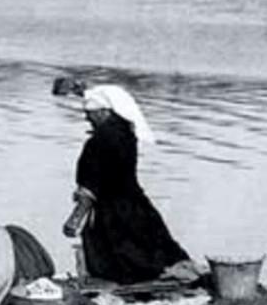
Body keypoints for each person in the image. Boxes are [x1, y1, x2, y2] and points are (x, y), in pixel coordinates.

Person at [63, 84, 198, 284]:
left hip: (111, 210)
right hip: (134, 202)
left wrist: (74, 220)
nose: (86, 118)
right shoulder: (127, 135)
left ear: (104, 112)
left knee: (119, 259)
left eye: (89, 113)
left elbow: (90, 187)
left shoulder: (98, 142)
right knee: (153, 245)